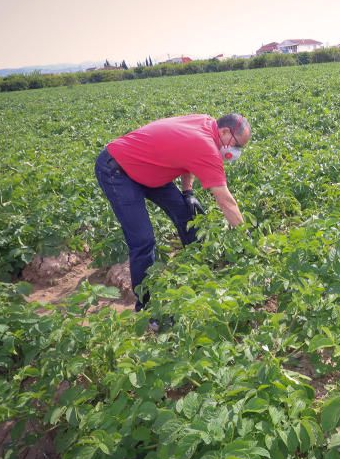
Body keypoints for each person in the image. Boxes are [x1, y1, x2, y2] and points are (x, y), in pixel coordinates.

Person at [95, 113, 250, 311]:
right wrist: (247, 239)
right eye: (237, 145)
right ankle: (146, 306)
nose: (237, 151)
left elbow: (187, 160)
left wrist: (188, 192)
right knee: (143, 240)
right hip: (118, 170)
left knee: (186, 214)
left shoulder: (205, 124)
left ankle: (197, 265)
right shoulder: (206, 147)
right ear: (225, 131)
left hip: (149, 168)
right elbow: (226, 201)